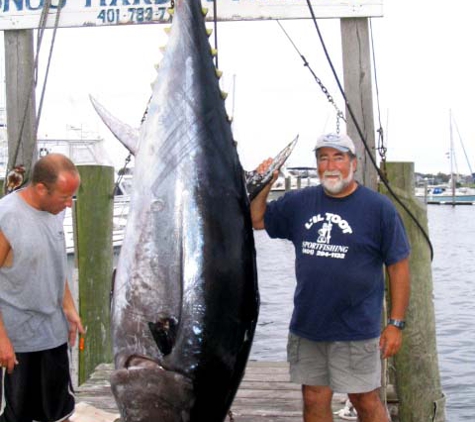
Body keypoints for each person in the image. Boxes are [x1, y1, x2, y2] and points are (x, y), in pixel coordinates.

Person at [250, 133, 410, 422]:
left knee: (364, 398)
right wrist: (265, 185)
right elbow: (257, 219)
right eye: (323, 158)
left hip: (356, 328)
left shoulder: (379, 208)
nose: (330, 164)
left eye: (338, 157)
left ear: (353, 163)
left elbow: (398, 266)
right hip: (309, 325)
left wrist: (395, 324)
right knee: (313, 397)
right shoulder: (299, 202)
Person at [0, 153, 85, 422]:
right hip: (19, 342)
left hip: (54, 334)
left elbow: (55, 265)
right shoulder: (7, 217)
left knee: (59, 412)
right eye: (64, 198)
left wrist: (69, 308)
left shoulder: (53, 212)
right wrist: (2, 340)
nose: (69, 205)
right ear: (40, 188)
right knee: (19, 415)